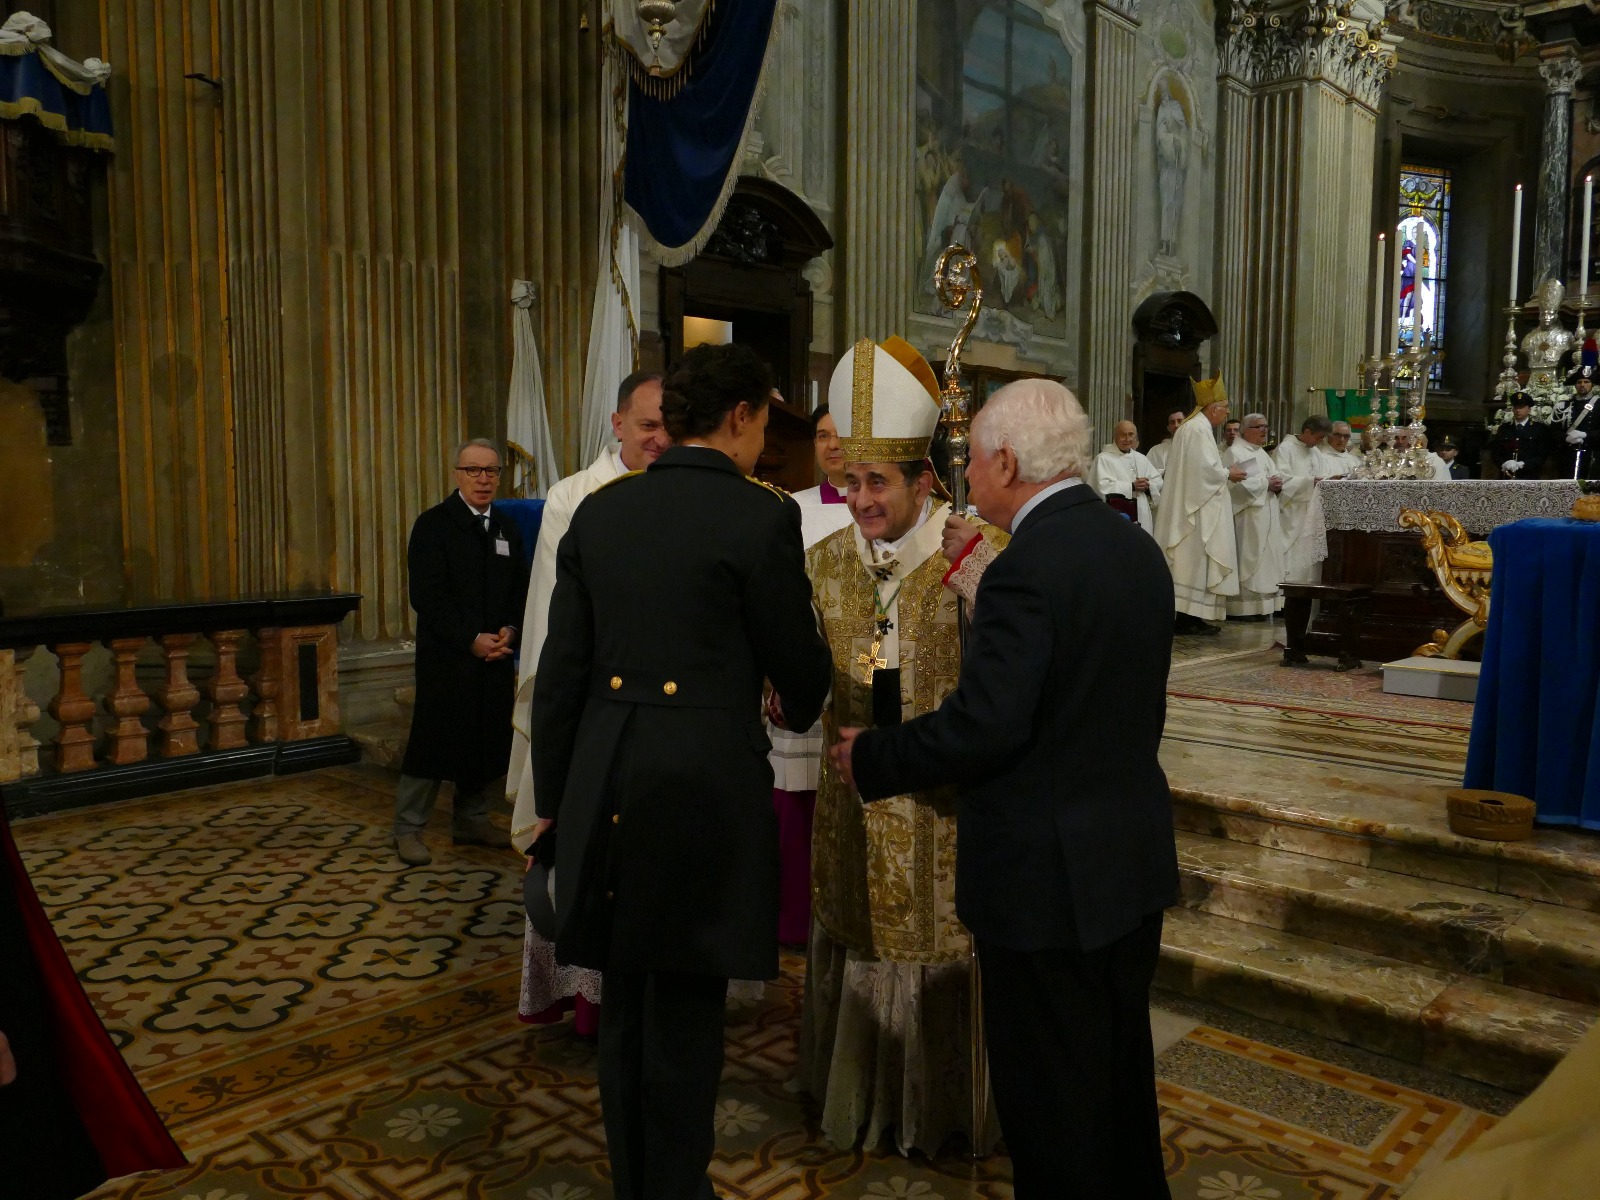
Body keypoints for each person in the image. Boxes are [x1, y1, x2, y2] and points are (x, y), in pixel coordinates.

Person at [828, 378, 1178, 1200]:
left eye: (973, 460)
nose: (966, 477)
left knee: (1050, 1100)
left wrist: (874, 756)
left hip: (1047, 881)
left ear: (1009, 462)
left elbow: (986, 725)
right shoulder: (1131, 546)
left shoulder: (1029, 570)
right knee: (1118, 1076)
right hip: (1125, 862)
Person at [528, 342, 832, 1200]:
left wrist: (556, 808)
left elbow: (560, 681)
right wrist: (795, 693)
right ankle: (679, 1188)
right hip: (699, 787)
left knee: (624, 998)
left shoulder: (603, 513)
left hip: (605, 781)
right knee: (688, 1008)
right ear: (739, 417)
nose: (766, 440)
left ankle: (636, 1182)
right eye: (766, 422)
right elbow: (800, 675)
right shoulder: (760, 517)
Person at [796, 335, 1007, 1156]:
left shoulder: (976, 557)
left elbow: (1022, 668)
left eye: (877, 481)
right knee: (856, 924)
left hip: (940, 812)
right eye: (849, 479)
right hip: (851, 803)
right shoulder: (821, 562)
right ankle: (852, 1091)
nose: (858, 500)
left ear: (927, 479)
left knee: (934, 933)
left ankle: (939, 1110)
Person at [505, 370, 668, 1032]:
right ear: (617, 422)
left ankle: (645, 992)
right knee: (583, 855)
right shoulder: (573, 497)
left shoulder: (681, 494)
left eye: (669, 425)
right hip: (592, 708)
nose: (659, 438)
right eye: (647, 424)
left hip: (659, 710)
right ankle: (583, 1001)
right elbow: (549, 622)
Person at [394, 439, 530, 866]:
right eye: (474, 470)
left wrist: (509, 631)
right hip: (448, 657)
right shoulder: (434, 525)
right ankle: (408, 827)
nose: (484, 479)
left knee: (485, 738)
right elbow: (427, 597)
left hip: (494, 655)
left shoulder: (507, 526)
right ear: (457, 474)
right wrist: (470, 637)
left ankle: (470, 819)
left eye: (491, 471)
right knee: (433, 741)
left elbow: (520, 588)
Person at [767, 402, 857, 946]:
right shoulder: (788, 508)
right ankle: (794, 919)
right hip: (801, 671)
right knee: (795, 801)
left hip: (861, 670)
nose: (830, 445)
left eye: (840, 435)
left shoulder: (879, 508)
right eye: (821, 435)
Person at [1152, 376, 1241, 635]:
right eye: (1225, 408)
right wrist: (1227, 473)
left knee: (1192, 563)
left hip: (1196, 502)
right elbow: (1203, 471)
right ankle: (1187, 617)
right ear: (1213, 408)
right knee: (1192, 560)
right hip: (1196, 509)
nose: (1227, 414)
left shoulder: (1196, 427)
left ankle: (1193, 615)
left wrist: (1223, 473)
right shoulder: (1197, 429)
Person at [1224, 413, 1286, 618]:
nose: (1264, 430)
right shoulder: (1238, 452)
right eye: (1259, 426)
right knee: (1248, 557)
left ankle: (1263, 607)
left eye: (1266, 426)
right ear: (1246, 430)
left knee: (1266, 559)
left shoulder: (1260, 453)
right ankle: (1242, 608)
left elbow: (1273, 476)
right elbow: (1240, 485)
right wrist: (1267, 484)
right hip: (1248, 516)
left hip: (1266, 513)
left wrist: (1276, 484)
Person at [1271, 415, 1332, 585]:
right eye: (1319, 437)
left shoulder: (1315, 451)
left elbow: (1323, 473)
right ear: (1307, 431)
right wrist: (1309, 482)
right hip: (1292, 511)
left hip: (1311, 511)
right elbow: (1280, 479)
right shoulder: (1285, 449)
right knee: (1292, 555)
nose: (1320, 442)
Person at [1088, 419, 1163, 534]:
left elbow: (1157, 480)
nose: (1127, 439)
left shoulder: (1141, 458)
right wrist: (1131, 486)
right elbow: (1102, 487)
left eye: (1131, 434)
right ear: (1115, 437)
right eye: (1123, 435)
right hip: (1117, 514)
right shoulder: (1103, 459)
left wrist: (1148, 486)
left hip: (1142, 511)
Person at [1489, 392, 1551, 479]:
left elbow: (1542, 455)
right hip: (1507, 475)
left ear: (1529, 410)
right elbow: (1495, 452)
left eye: (1521, 407)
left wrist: (1523, 464)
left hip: (1529, 476)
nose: (1518, 410)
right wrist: (1504, 463)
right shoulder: (1504, 428)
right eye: (1515, 407)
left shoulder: (1539, 428)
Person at [1145, 408, 1186, 473]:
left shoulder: (1196, 447)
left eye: (1179, 421)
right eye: (1172, 422)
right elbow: (1147, 474)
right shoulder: (1156, 451)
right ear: (1168, 428)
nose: (1176, 425)